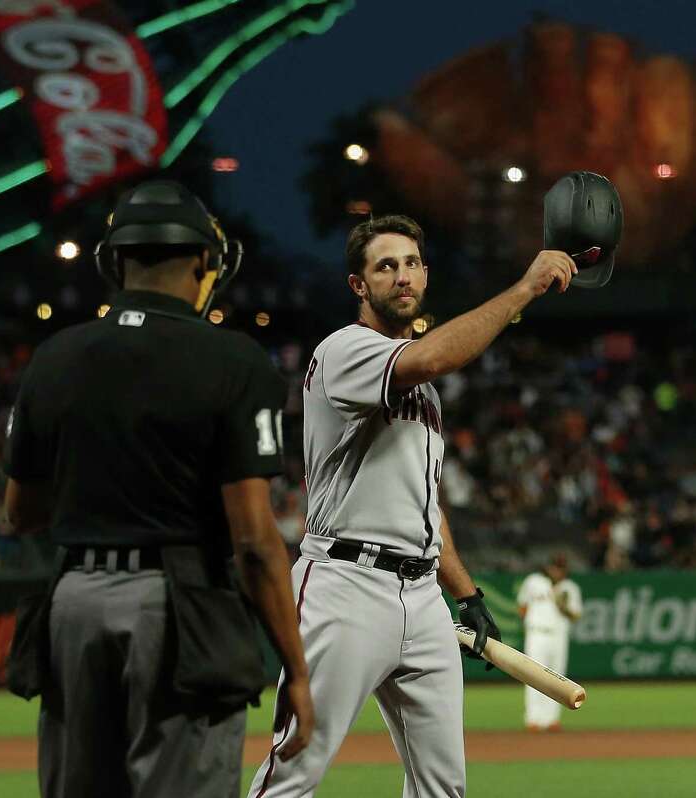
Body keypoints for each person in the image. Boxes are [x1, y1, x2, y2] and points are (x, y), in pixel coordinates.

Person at [248, 215, 579, 797]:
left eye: (411, 263)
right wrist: (524, 289)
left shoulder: (421, 389)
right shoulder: (344, 350)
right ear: (359, 285)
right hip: (344, 585)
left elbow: (426, 508)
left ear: (425, 273)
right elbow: (429, 358)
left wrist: (467, 594)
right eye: (385, 266)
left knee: (442, 786)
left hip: (422, 593)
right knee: (294, 771)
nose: (402, 276)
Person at [3, 180, 313, 798]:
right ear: (207, 262)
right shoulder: (234, 360)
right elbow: (253, 541)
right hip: (176, 606)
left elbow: (21, 513)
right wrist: (296, 672)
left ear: (116, 262)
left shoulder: (55, 356)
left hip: (73, 604)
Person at [517, 554, 583, 731]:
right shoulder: (534, 582)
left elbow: (576, 615)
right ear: (548, 567)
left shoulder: (570, 587)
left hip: (559, 635)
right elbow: (522, 607)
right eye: (555, 567)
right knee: (534, 676)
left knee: (558, 678)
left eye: (561, 568)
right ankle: (534, 719)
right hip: (537, 634)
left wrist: (565, 608)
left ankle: (551, 719)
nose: (558, 571)